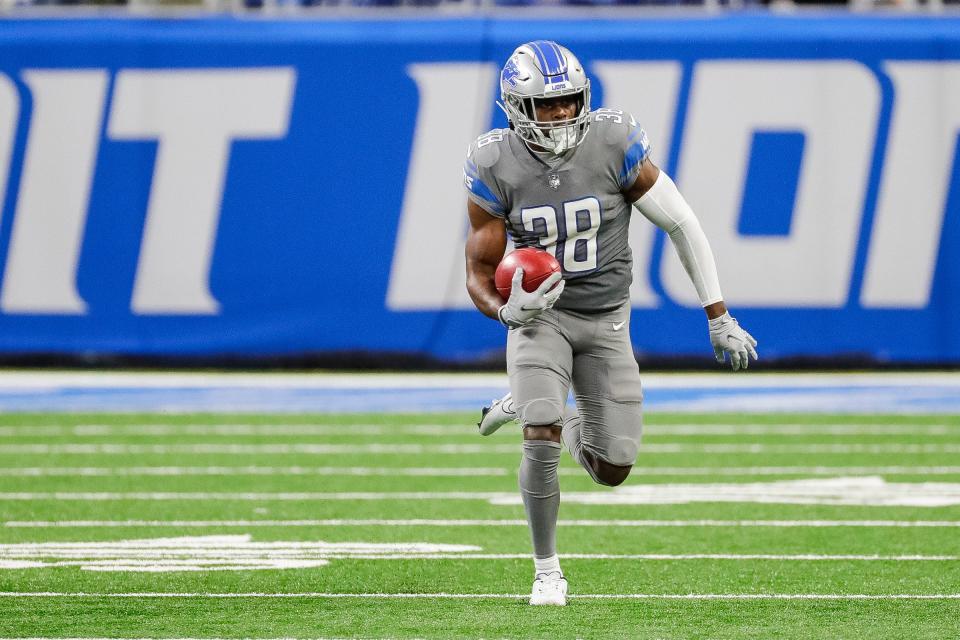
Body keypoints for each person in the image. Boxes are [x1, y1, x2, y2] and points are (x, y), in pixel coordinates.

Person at [463, 40, 758, 606]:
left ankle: (521, 401)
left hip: (606, 319)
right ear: (514, 107)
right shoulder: (493, 161)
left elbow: (681, 222)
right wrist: (505, 311)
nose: (559, 115)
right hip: (540, 318)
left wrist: (718, 314)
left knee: (613, 465)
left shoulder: (612, 140)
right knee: (541, 433)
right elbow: (478, 267)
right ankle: (546, 570)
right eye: (545, 105)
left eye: (568, 102)